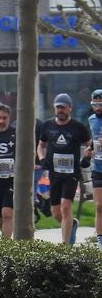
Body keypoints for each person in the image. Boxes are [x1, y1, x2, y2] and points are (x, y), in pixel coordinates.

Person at [37, 92, 91, 244]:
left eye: (63, 107)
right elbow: (41, 145)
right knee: (56, 212)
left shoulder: (78, 127)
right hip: (54, 173)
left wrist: (86, 157)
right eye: (58, 107)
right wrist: (42, 159)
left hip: (71, 173)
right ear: (54, 108)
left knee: (66, 207)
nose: (60, 110)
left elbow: (90, 145)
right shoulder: (47, 125)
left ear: (70, 108)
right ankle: (71, 224)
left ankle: (65, 245)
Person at [0, 103, 17, 238]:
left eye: (4, 118)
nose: (1, 121)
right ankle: (5, 237)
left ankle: (6, 246)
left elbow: (24, 154)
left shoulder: (16, 133)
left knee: (7, 213)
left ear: (9, 118)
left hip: (11, 180)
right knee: (0, 216)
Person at [87, 89, 102, 248]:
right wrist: (89, 148)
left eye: (100, 104)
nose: (97, 107)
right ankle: (100, 239)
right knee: (99, 205)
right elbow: (94, 138)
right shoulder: (91, 119)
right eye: (95, 104)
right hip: (98, 166)